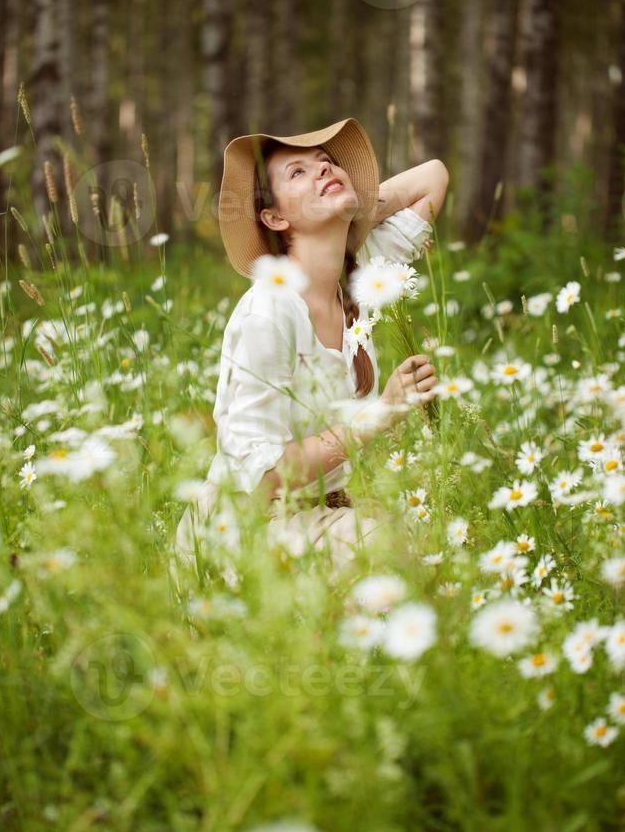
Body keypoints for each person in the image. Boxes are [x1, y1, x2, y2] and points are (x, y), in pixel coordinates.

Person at [173, 117, 449, 581]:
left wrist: (354, 209)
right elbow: (263, 479)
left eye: (327, 163)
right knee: (387, 551)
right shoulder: (269, 311)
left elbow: (433, 177)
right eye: (298, 173)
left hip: (319, 518)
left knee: (430, 534)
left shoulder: (361, 278)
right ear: (275, 219)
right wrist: (380, 414)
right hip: (244, 530)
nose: (323, 169)